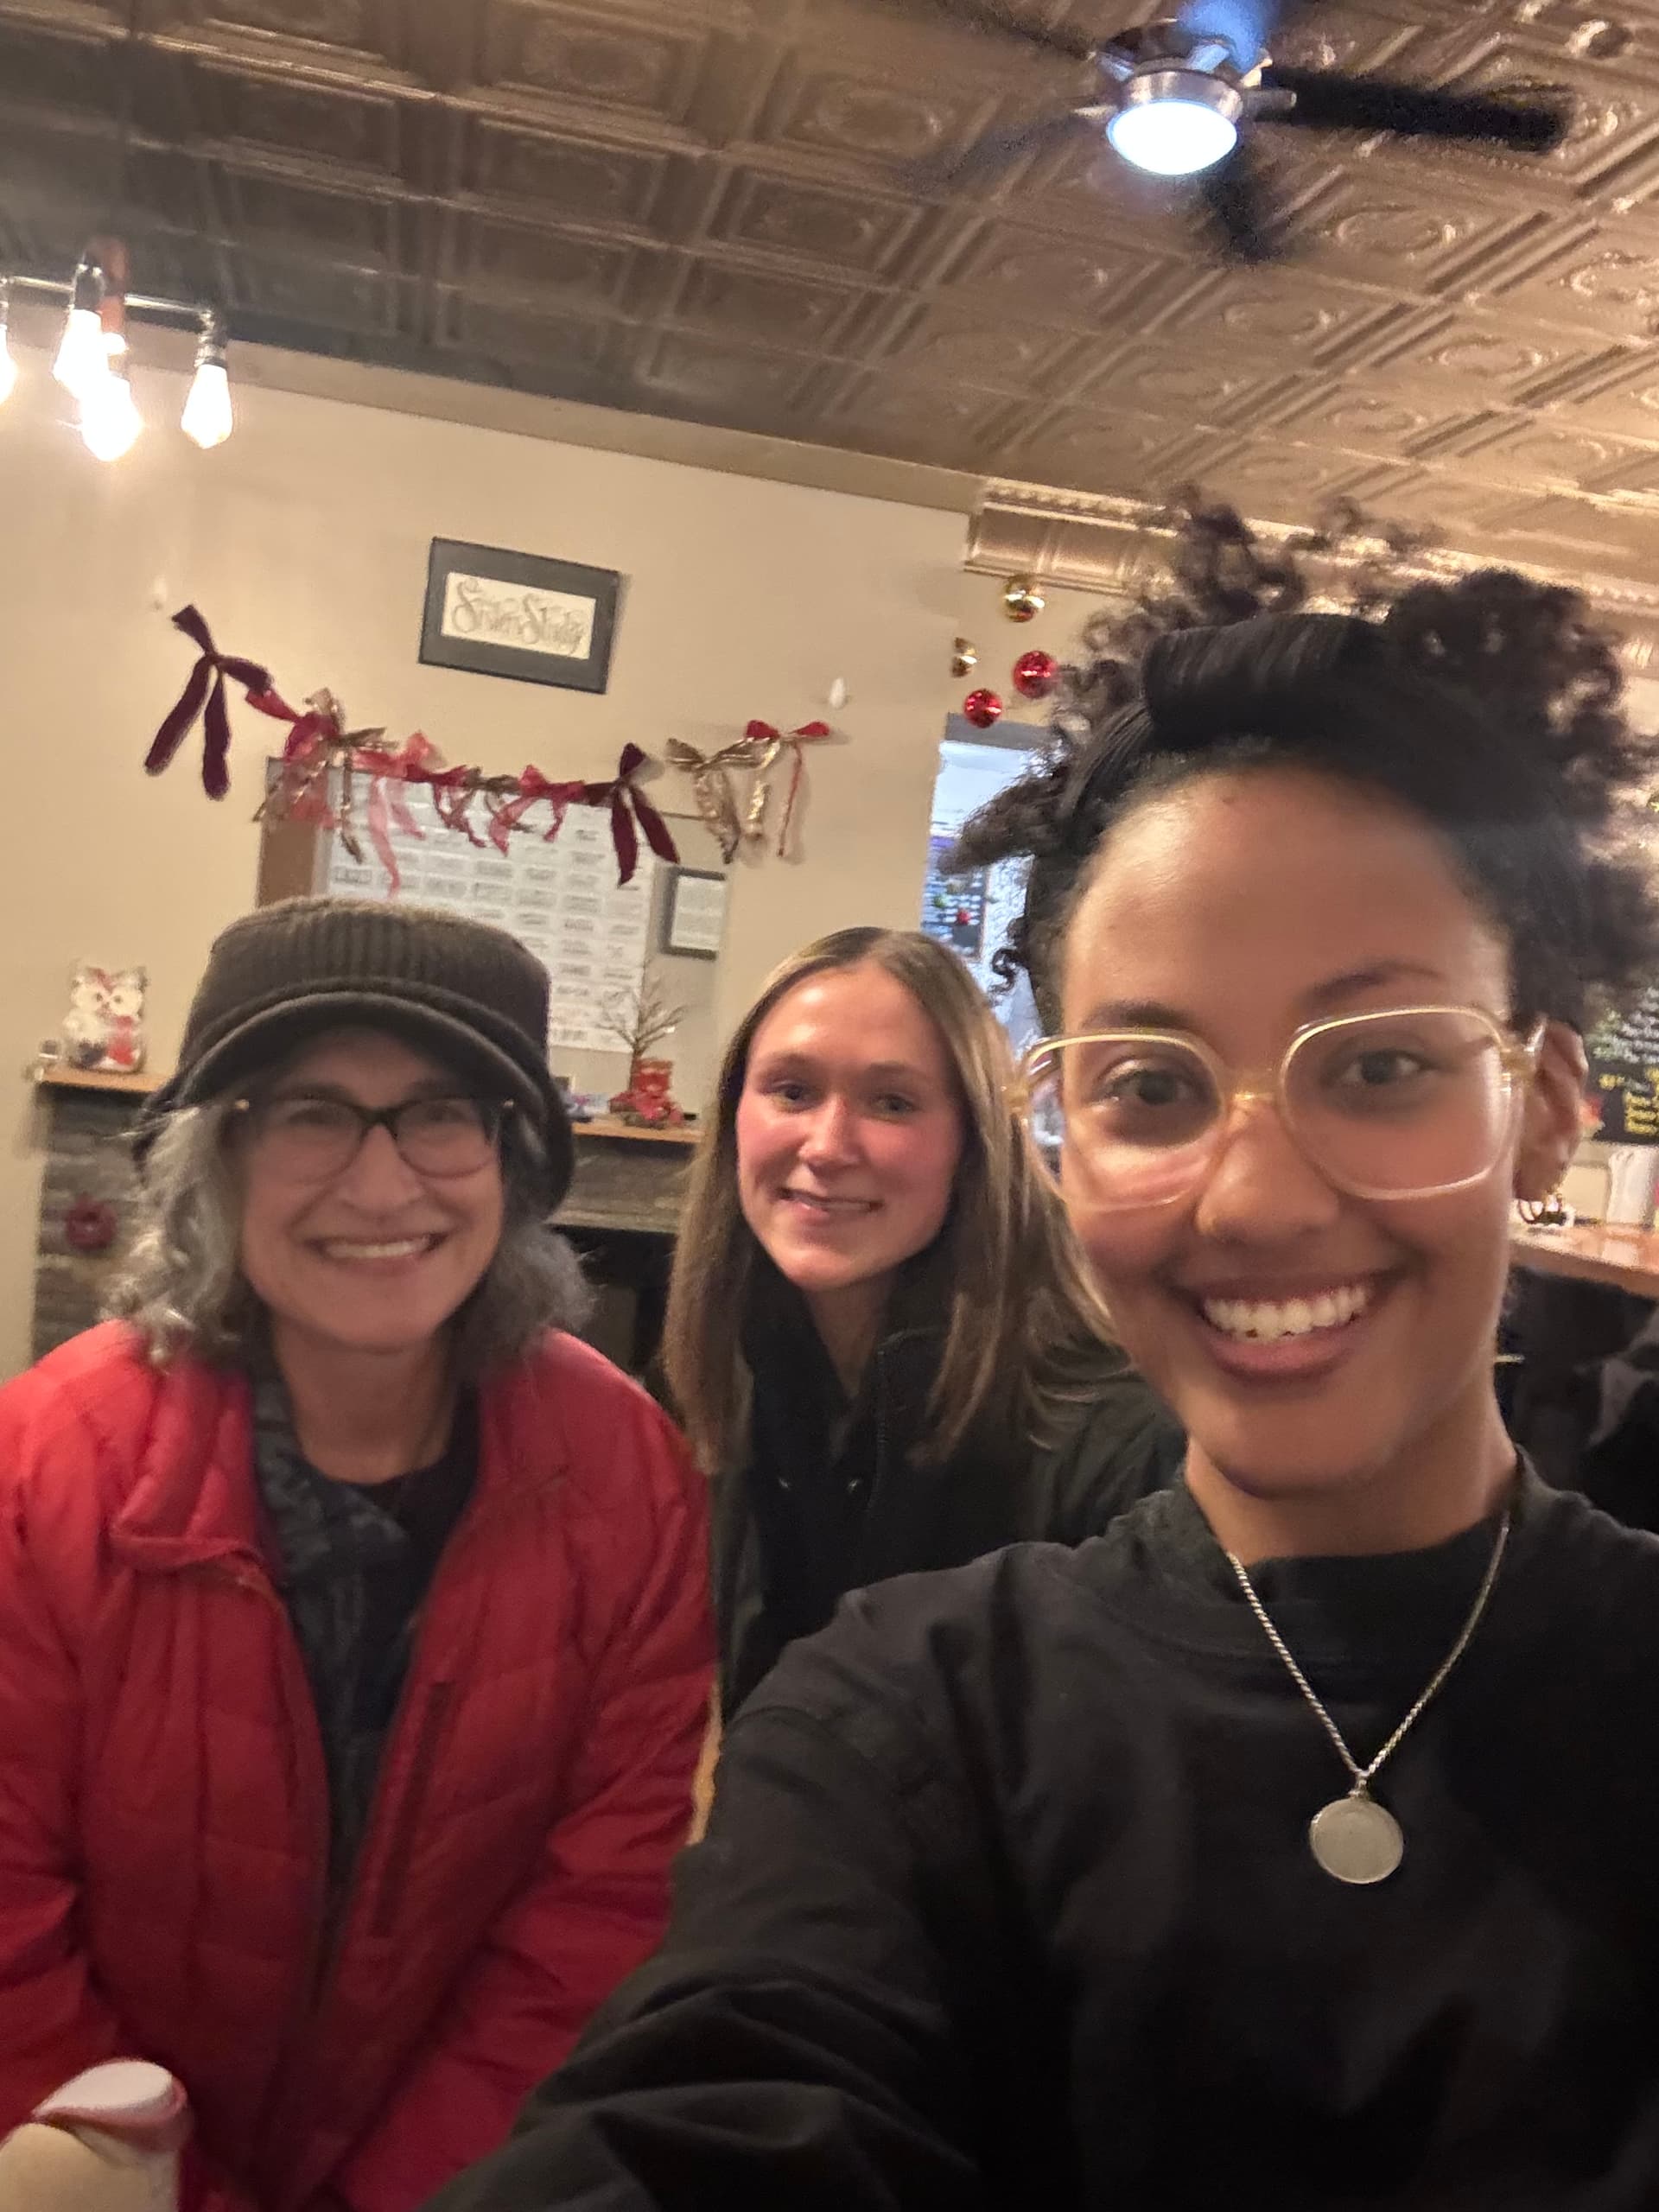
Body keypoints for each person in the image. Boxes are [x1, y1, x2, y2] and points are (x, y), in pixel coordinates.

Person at [423, 507, 1659, 2211]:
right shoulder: (911, 1716)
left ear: (1545, 1110)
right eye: (1152, 1084)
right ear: (1065, 1138)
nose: (1257, 1191)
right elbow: (715, 2108)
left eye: (1376, 1065)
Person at [0, 896, 713, 2212]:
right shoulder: (45, 1462)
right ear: (219, 1156)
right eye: (311, 1113)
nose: (380, 1186)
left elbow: (596, 1916)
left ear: (513, 1161)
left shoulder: (626, 1472)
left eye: (440, 1113)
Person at [661, 925, 1179, 1713]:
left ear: (972, 1145)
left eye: (892, 1103)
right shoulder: (722, 1379)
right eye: (792, 1091)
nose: (828, 1146)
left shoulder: (1111, 1442)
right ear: (735, 1115)